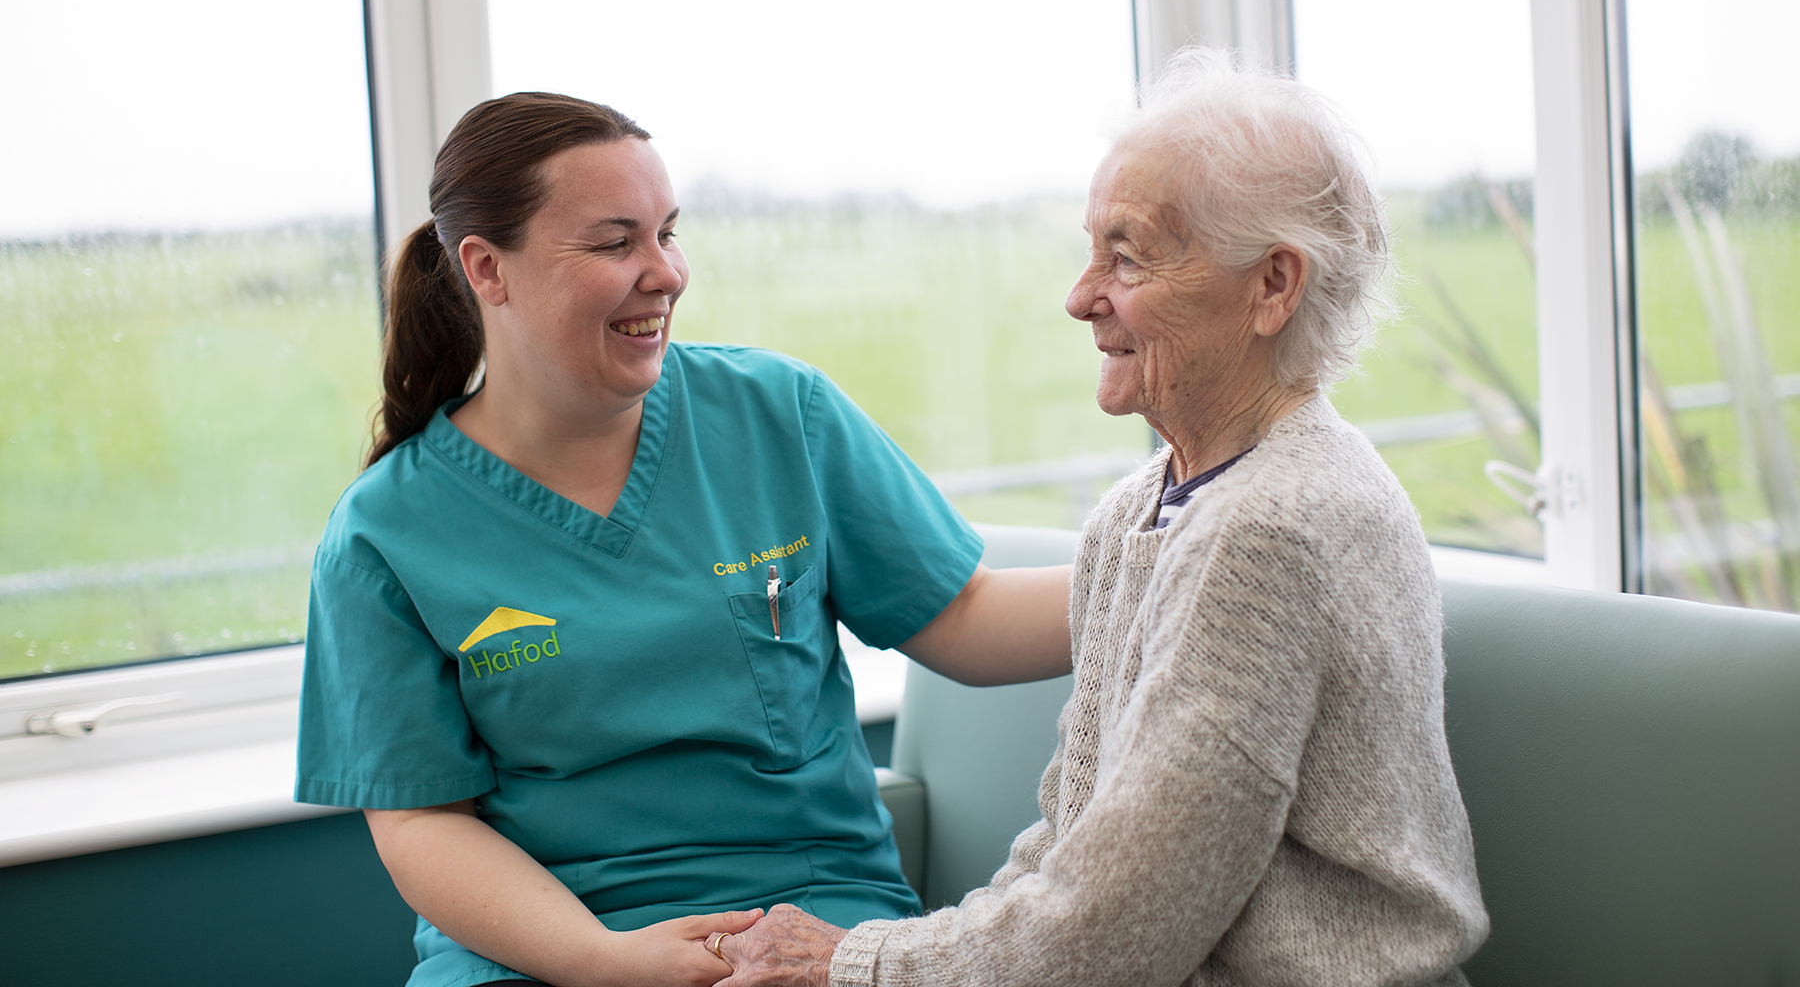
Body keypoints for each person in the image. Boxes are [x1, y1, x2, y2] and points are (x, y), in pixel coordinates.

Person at [713, 49, 1491, 987]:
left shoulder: (1272, 530)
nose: (1081, 297)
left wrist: (855, 963)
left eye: (1127, 256)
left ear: (1273, 287)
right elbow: (1072, 846)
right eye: (1090, 252)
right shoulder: (1147, 505)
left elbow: (1107, 934)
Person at [293, 92, 1073, 987]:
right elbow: (423, 824)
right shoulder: (384, 535)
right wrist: (602, 960)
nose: (665, 273)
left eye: (668, 233)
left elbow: (966, 612)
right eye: (615, 242)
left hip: (802, 924)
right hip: (545, 950)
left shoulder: (781, 415)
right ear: (486, 268)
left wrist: (1177, 561)